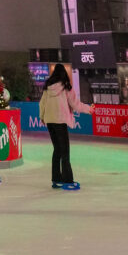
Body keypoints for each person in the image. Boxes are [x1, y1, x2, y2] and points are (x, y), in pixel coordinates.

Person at [39, 63, 92, 191]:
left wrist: (42, 117)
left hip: (50, 121)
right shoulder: (66, 87)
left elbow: (42, 104)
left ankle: (56, 179)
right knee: (64, 152)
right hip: (60, 121)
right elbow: (75, 104)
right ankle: (67, 180)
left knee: (57, 150)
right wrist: (89, 109)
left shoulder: (47, 88)